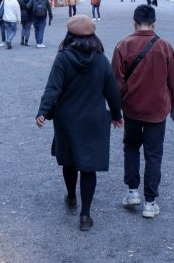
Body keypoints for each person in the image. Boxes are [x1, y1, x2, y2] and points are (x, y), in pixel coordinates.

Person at [36, 15, 123, 232]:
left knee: (69, 161)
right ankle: (85, 215)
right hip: (93, 119)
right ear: (93, 36)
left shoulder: (63, 58)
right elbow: (112, 90)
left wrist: (43, 112)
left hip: (67, 118)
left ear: (69, 35)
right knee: (88, 166)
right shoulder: (101, 59)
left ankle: (72, 197)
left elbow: (52, 87)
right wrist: (116, 114)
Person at [111, 5, 174, 220]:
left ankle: (133, 192)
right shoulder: (165, 46)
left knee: (131, 147)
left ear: (134, 22)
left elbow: (114, 81)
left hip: (132, 107)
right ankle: (150, 203)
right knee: (153, 155)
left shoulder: (123, 45)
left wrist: (116, 108)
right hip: (157, 109)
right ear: (154, 24)